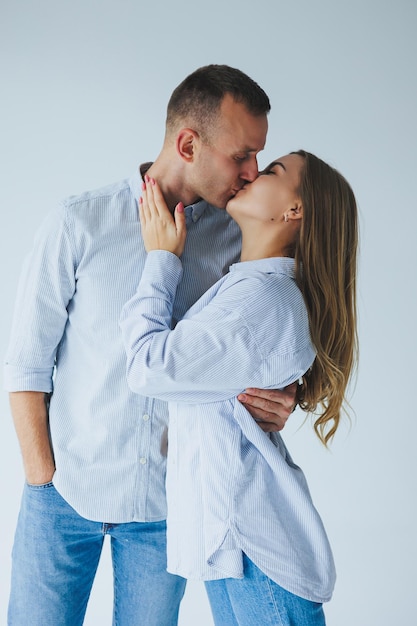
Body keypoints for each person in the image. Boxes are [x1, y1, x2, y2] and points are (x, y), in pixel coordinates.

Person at [4, 65, 297, 626]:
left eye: (259, 157)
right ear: (188, 143)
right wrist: (42, 481)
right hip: (64, 498)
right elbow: (26, 362)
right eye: (242, 156)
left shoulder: (242, 238)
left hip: (169, 512)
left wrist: (286, 394)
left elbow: (268, 335)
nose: (253, 173)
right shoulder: (79, 222)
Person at [119, 150, 358, 625]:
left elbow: (148, 366)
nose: (253, 172)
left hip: (255, 550)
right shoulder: (250, 287)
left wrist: (163, 260)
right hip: (237, 547)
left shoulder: (264, 297)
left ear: (296, 211)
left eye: (273, 171)